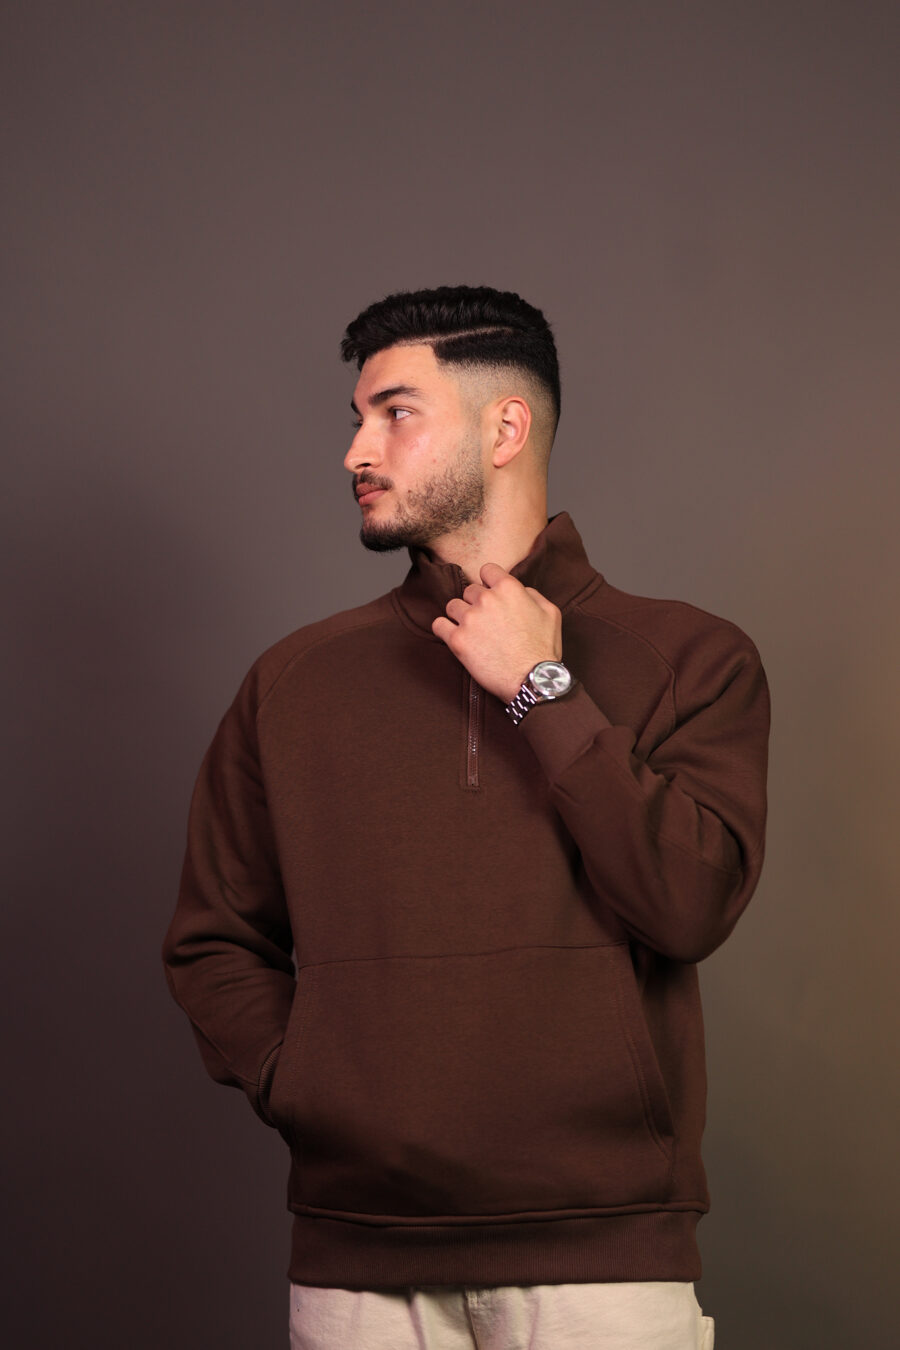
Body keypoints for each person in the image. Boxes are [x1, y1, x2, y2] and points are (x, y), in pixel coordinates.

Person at [163, 286, 769, 1349]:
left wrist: (543, 690)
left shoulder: (689, 659)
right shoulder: (296, 683)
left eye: (395, 413)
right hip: (360, 1264)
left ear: (506, 427)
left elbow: (690, 905)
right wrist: (314, 1085)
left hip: (603, 1262)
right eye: (357, 418)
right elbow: (213, 942)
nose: (356, 451)